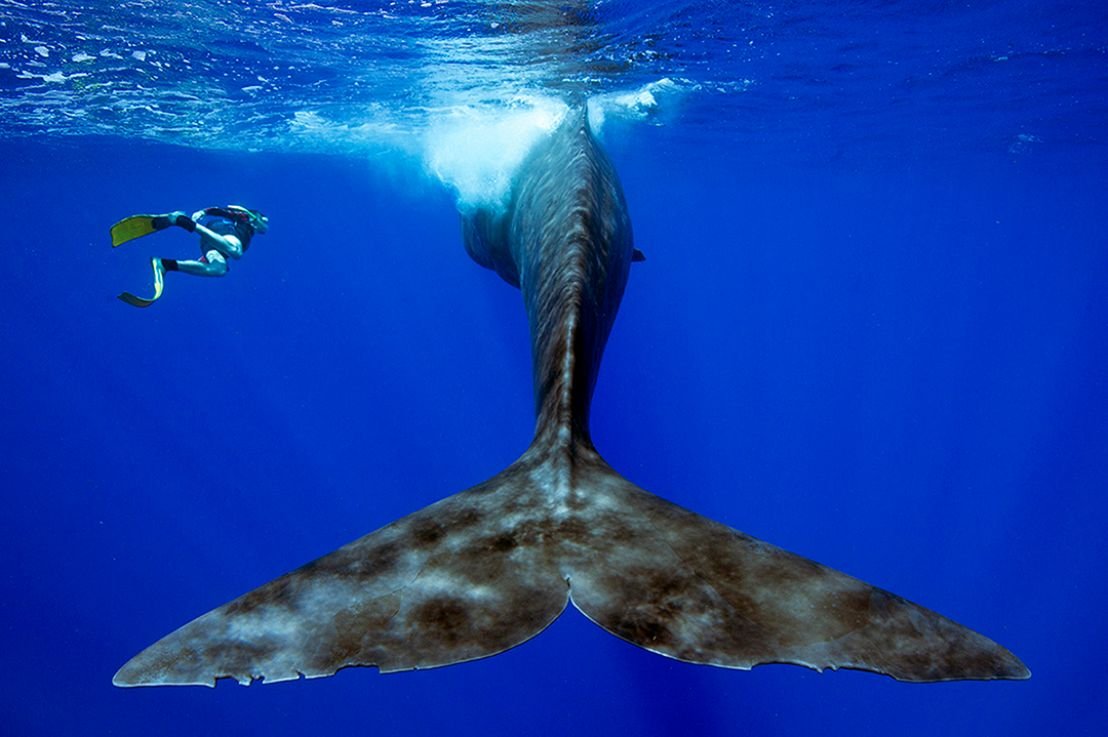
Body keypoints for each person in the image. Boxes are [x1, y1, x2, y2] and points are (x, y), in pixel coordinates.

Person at [111, 205, 269, 307]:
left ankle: (165, 265)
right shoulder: (247, 217)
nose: (266, 224)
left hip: (213, 244)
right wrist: (205, 212)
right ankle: (181, 221)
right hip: (223, 232)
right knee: (236, 251)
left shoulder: (251, 229)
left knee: (219, 269)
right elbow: (224, 211)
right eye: (265, 220)